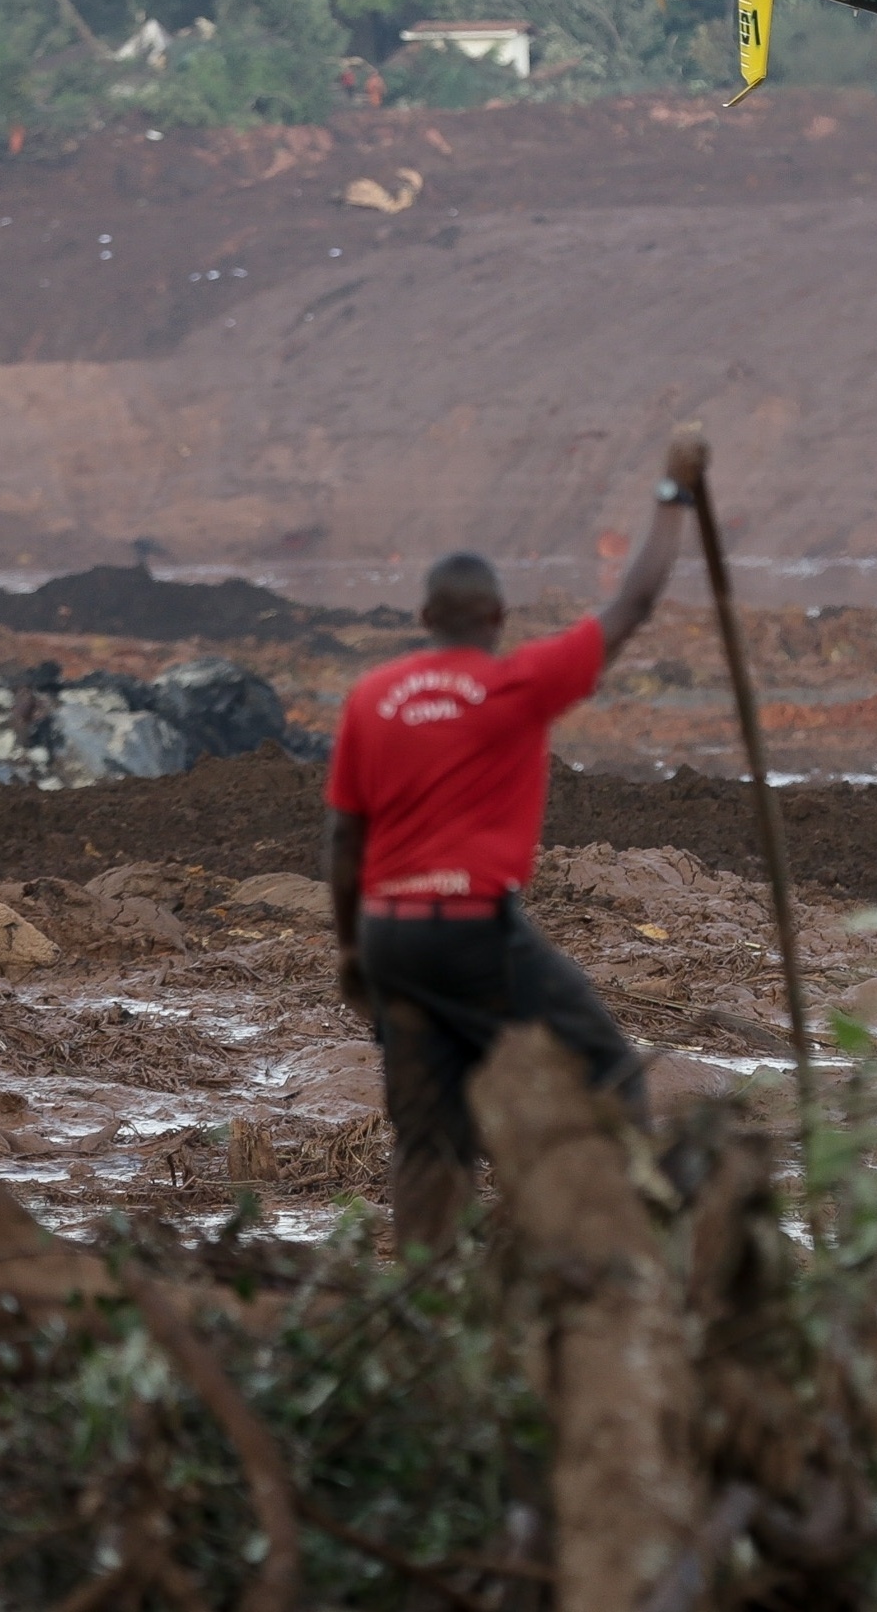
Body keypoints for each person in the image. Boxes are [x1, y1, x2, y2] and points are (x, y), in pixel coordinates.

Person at [323, 430, 704, 1253]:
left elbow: (344, 837)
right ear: (497, 620)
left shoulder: (372, 699)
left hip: (390, 934)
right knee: (608, 1071)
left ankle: (422, 1305)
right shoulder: (516, 682)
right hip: (473, 932)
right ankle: (623, 1253)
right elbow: (631, 606)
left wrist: (354, 948)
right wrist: (672, 499)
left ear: (425, 619)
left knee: (427, 1138)